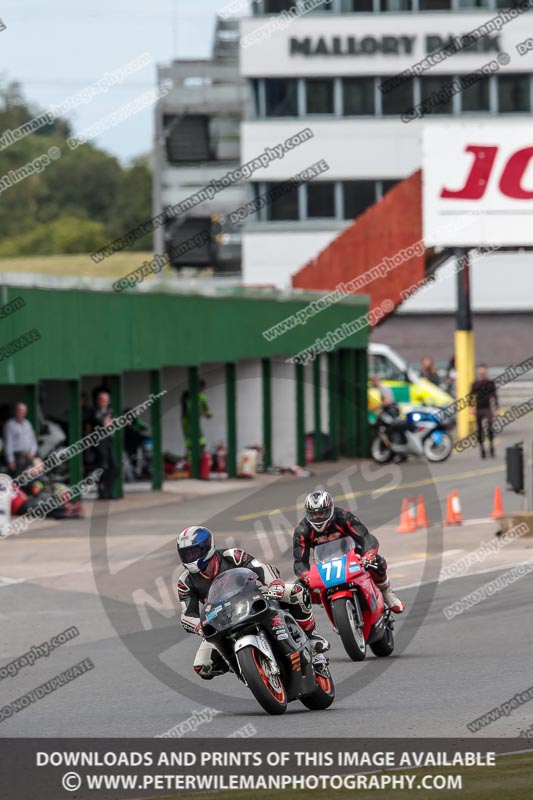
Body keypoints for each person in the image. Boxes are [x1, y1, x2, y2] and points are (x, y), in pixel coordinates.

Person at [176, 526, 329, 680]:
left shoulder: (232, 556)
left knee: (297, 591)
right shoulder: (185, 582)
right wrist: (197, 626)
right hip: (221, 620)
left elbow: (260, 567)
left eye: (193, 552)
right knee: (203, 667)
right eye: (185, 554)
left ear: (207, 548)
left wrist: (275, 584)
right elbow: (187, 614)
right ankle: (244, 664)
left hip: (253, 599)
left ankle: (311, 636)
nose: (189, 558)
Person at [293, 491, 405, 613]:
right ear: (307, 513)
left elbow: (366, 538)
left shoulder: (343, 517)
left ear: (330, 509)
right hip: (325, 566)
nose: (318, 517)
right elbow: (300, 562)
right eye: (313, 514)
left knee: (377, 562)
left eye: (321, 513)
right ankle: (321, 605)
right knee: (300, 587)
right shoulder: (302, 530)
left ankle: (386, 591)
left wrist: (369, 555)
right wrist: (307, 576)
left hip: (354, 559)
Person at [89, 390, 117, 499]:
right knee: (102, 466)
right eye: (102, 400)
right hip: (100, 442)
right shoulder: (95, 411)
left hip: (109, 440)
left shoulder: (111, 411)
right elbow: (100, 422)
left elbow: (113, 423)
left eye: (106, 400)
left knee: (114, 467)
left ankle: (109, 491)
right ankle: (102, 492)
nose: (105, 402)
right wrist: (105, 422)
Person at [470, 364, 498, 459]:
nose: (482, 372)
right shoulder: (475, 383)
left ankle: (491, 446)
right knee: (479, 430)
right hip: (479, 408)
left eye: (483, 370)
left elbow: (494, 395)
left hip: (487, 408)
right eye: (480, 371)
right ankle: (482, 449)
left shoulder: (490, 383)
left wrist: (495, 408)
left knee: (490, 427)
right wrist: (471, 407)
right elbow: (471, 396)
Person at [3, 402, 38, 480]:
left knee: (30, 480)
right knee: (18, 481)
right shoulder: (10, 425)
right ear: (15, 412)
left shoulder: (27, 424)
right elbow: (8, 443)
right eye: (19, 411)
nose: (21, 414)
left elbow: (33, 440)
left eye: (23, 412)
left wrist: (32, 452)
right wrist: (10, 460)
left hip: (28, 457)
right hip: (17, 458)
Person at [181, 380, 212, 456]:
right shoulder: (187, 394)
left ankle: (199, 457)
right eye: (201, 388)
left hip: (194, 422)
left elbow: (205, 407)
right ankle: (189, 459)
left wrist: (208, 413)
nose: (202, 390)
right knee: (190, 442)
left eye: (203, 389)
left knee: (201, 442)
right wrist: (199, 413)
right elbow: (187, 409)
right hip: (187, 421)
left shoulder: (202, 396)